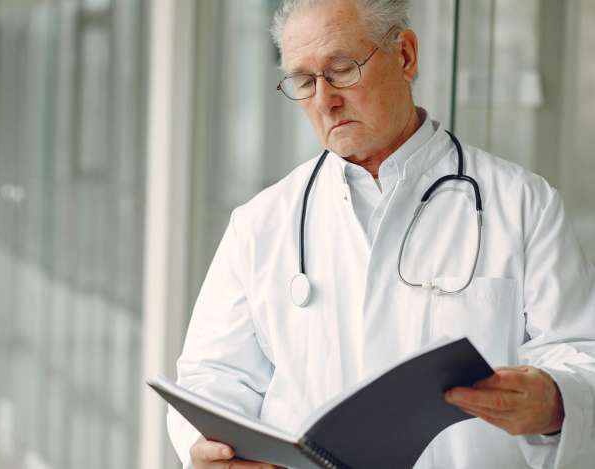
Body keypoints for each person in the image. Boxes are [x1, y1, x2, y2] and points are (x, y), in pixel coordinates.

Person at [167, 0, 595, 467]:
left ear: (406, 56)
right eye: (304, 81)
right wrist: (205, 448)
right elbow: (211, 378)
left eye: (342, 69)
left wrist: (554, 400)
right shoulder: (260, 223)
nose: (324, 100)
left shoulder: (523, 204)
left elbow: (580, 356)